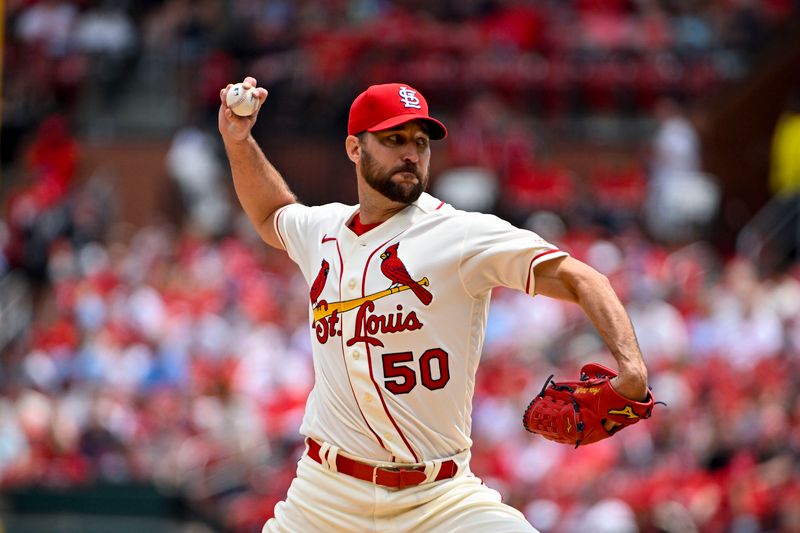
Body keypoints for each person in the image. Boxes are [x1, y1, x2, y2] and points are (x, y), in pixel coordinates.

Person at [218, 77, 649, 533]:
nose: (411, 153)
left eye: (421, 142)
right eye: (394, 139)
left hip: (439, 499)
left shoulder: (460, 234)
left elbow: (581, 277)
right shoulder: (322, 231)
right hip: (325, 497)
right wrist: (238, 140)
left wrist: (633, 369)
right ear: (354, 148)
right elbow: (270, 215)